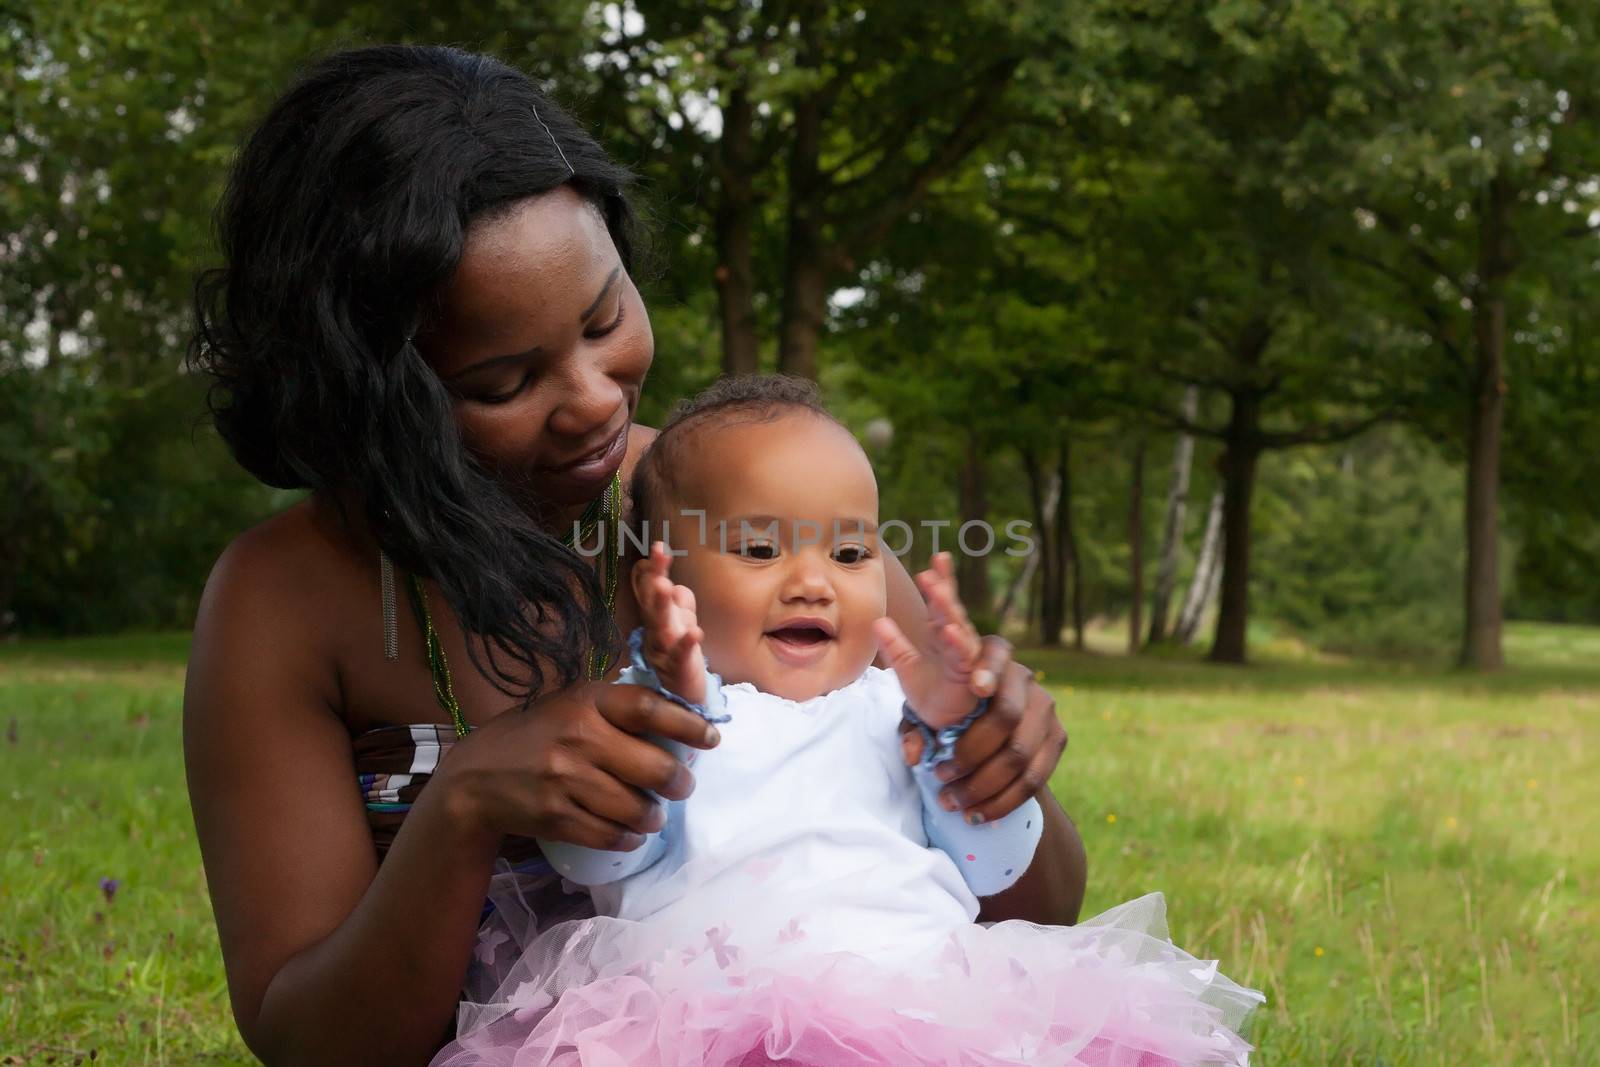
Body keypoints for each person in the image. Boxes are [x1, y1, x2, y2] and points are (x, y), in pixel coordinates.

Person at [182, 44, 1083, 1065]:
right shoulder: (286, 601)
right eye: (503, 381)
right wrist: (465, 806)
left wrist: (996, 766)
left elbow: (1034, 916)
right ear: (372, 397)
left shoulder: (745, 509)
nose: (597, 399)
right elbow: (307, 1035)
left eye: (606, 318)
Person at [431, 377, 1261, 1066]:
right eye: (760, 551)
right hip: (710, 1023)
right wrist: (666, 708)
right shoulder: (656, 712)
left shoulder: (896, 712)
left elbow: (994, 868)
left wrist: (958, 743)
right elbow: (589, 854)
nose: (813, 582)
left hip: (930, 1005)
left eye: (851, 552)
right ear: (663, 581)